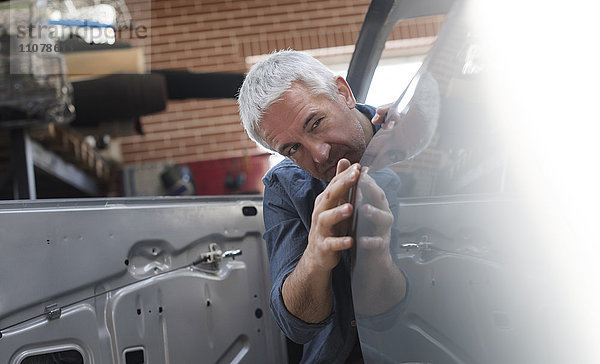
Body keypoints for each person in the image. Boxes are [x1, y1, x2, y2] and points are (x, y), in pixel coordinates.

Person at [238, 50, 406, 363]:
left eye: (315, 123)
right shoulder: (285, 186)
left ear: (343, 93)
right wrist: (316, 254)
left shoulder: (413, 138)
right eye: (292, 148)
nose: (319, 154)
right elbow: (297, 326)